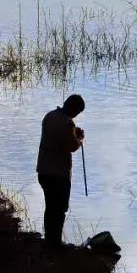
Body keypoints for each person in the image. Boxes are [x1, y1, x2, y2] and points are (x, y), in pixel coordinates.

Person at [36, 94, 85, 249]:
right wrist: (79, 138)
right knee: (59, 209)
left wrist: (73, 132)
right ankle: (55, 244)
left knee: (50, 207)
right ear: (75, 110)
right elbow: (72, 146)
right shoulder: (67, 123)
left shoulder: (49, 116)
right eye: (77, 112)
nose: (76, 116)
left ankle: (49, 241)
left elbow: (57, 135)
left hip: (43, 170)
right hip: (58, 174)